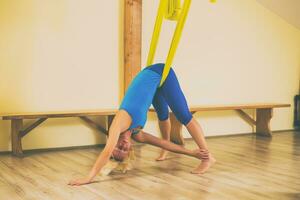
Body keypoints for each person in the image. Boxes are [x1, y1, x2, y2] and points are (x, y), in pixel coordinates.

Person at [68, 63, 215, 186]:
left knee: (183, 115)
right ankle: (195, 155)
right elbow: (163, 143)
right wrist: (191, 153)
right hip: (153, 83)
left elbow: (106, 152)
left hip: (159, 71)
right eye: (124, 150)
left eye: (117, 147)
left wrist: (88, 178)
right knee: (163, 114)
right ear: (130, 150)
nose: (123, 145)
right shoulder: (137, 135)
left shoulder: (117, 124)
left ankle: (207, 157)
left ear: (113, 143)